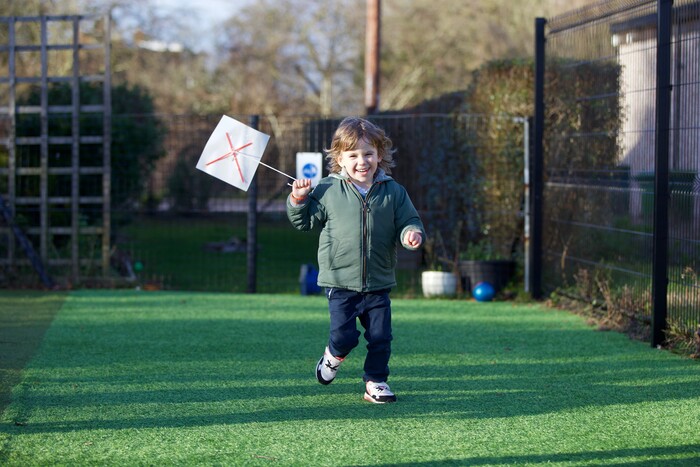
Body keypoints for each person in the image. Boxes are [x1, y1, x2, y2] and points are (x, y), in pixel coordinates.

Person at [287, 117, 424, 404]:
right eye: (353, 155)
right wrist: (298, 200)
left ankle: (376, 380)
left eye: (368, 154)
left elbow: (409, 220)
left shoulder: (394, 192)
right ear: (339, 158)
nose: (362, 161)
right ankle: (332, 356)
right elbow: (303, 223)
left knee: (381, 337)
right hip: (339, 282)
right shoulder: (326, 190)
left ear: (380, 155)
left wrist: (411, 233)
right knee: (344, 336)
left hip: (378, 281)